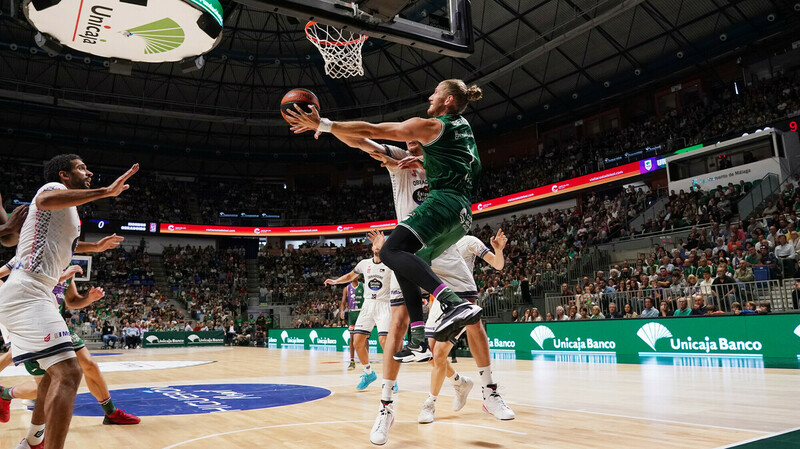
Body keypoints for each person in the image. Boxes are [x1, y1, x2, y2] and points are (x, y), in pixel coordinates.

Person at [299, 129, 511, 445]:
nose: (410, 142)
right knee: (396, 326)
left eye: (417, 137)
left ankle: (489, 391)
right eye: (406, 138)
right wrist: (326, 125)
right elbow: (363, 142)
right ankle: (386, 407)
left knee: (474, 321)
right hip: (411, 250)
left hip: (448, 250)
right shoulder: (399, 160)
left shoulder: (443, 162)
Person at [288, 79, 485, 362]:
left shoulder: (431, 128)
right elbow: (364, 142)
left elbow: (372, 129)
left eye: (436, 92)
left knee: (391, 251)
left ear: (449, 100)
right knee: (400, 259)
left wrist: (325, 124)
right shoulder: (459, 130)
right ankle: (418, 339)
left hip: (442, 207)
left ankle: (452, 304)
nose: (430, 96)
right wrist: (423, 162)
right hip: (460, 216)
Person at [0, 155, 138, 449]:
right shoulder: (50, 189)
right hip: (28, 291)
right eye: (81, 168)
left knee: (50, 379)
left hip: (34, 293)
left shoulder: (69, 212)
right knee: (71, 372)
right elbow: (46, 200)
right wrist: (105, 192)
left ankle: (34, 441)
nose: (88, 171)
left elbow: (68, 244)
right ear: (64, 175)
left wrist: (96, 247)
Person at [0, 264, 140, 429]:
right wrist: (62, 276)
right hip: (30, 324)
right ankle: (5, 394)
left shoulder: (66, 263)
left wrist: (89, 298)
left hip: (55, 324)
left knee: (89, 365)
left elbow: (72, 301)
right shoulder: (35, 258)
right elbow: (26, 289)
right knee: (44, 385)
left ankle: (111, 412)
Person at [324, 232, 392, 391]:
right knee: (357, 341)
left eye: (379, 244)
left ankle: (391, 378)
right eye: (374, 244)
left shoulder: (390, 264)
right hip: (368, 305)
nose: (376, 246)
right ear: (371, 247)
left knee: (384, 342)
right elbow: (350, 275)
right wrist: (335, 281)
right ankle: (368, 373)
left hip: (384, 304)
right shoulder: (364, 263)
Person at [339, 279, 365, 370]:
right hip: (352, 314)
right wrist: (342, 311)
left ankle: (366, 361)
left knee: (365, 338)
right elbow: (343, 302)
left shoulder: (363, 286)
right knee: (352, 338)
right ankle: (352, 361)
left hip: (362, 313)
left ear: (358, 276)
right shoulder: (346, 288)